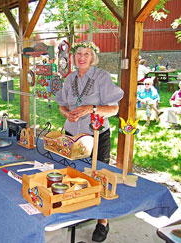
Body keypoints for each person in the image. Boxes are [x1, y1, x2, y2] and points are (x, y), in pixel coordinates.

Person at [55, 41, 124, 242]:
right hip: (72, 135)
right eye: (78, 54)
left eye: (86, 54)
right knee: (73, 174)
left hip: (96, 135)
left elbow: (113, 109)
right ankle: (75, 211)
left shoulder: (102, 77)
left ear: (92, 57)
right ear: (73, 57)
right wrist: (68, 113)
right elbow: (62, 105)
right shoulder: (70, 78)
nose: (81, 57)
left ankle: (103, 221)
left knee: (98, 176)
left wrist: (90, 109)